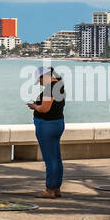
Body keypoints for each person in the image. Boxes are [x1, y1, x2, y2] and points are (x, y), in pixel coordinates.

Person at [27, 66, 66, 198]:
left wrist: (34, 106)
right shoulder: (60, 85)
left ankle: (50, 189)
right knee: (56, 157)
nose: (41, 83)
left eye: (40, 79)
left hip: (47, 125)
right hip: (57, 123)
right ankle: (56, 188)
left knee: (50, 158)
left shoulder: (50, 88)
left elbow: (44, 108)